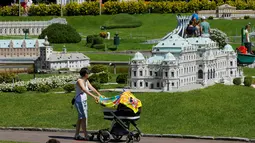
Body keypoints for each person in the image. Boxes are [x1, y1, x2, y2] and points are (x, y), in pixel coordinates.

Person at [73, 67, 101, 140]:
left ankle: (76, 135)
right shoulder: (80, 81)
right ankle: (86, 135)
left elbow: (91, 87)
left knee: (80, 118)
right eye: (88, 73)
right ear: (85, 74)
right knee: (84, 118)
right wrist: (94, 96)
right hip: (79, 101)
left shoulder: (86, 80)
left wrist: (98, 94)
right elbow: (84, 89)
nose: (89, 74)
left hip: (84, 101)